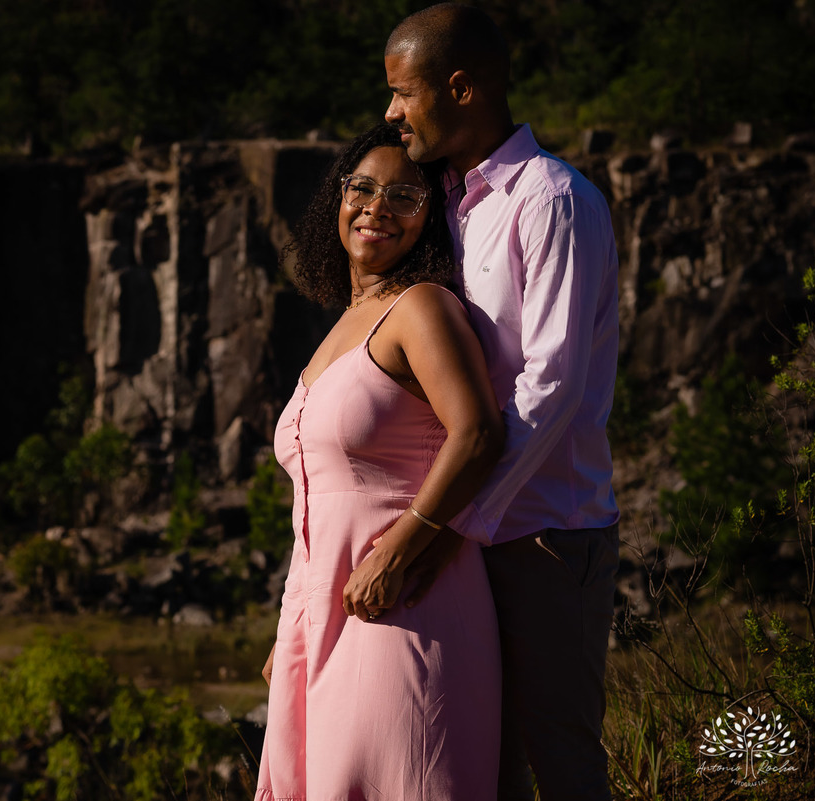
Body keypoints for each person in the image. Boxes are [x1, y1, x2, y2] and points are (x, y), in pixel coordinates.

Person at [382, 5, 622, 801]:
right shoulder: (448, 204)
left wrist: (449, 520)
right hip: (472, 530)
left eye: (403, 93)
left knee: (562, 761)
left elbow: (551, 387)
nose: (391, 112)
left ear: (460, 87)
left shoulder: (553, 199)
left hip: (546, 535)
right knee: (483, 760)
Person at [255, 122, 505, 801]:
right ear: (335, 199)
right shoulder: (343, 322)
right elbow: (318, 504)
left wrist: (399, 552)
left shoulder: (421, 307)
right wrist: (296, 622)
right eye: (361, 188)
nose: (376, 207)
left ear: (431, 218)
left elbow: (479, 433)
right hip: (321, 616)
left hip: (403, 608)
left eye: (403, 194)